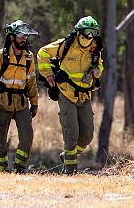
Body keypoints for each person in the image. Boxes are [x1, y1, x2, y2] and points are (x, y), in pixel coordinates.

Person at [38, 16, 104, 175]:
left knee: (87, 134)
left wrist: (98, 71)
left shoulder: (95, 49)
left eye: (93, 33)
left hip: (84, 96)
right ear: (79, 32)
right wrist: (48, 74)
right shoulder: (65, 45)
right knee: (71, 132)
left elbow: (99, 65)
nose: (89, 37)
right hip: (66, 93)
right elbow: (43, 53)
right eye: (87, 32)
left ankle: (68, 156)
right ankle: (70, 172)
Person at [0, 20, 39, 173]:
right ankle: (2, 170)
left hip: (22, 104)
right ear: (12, 37)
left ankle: (19, 168)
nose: (24, 39)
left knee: (27, 135)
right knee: (1, 139)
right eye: (21, 36)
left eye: (26, 36)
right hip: (2, 103)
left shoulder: (29, 57)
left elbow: (32, 82)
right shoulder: (0, 56)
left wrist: (34, 103)